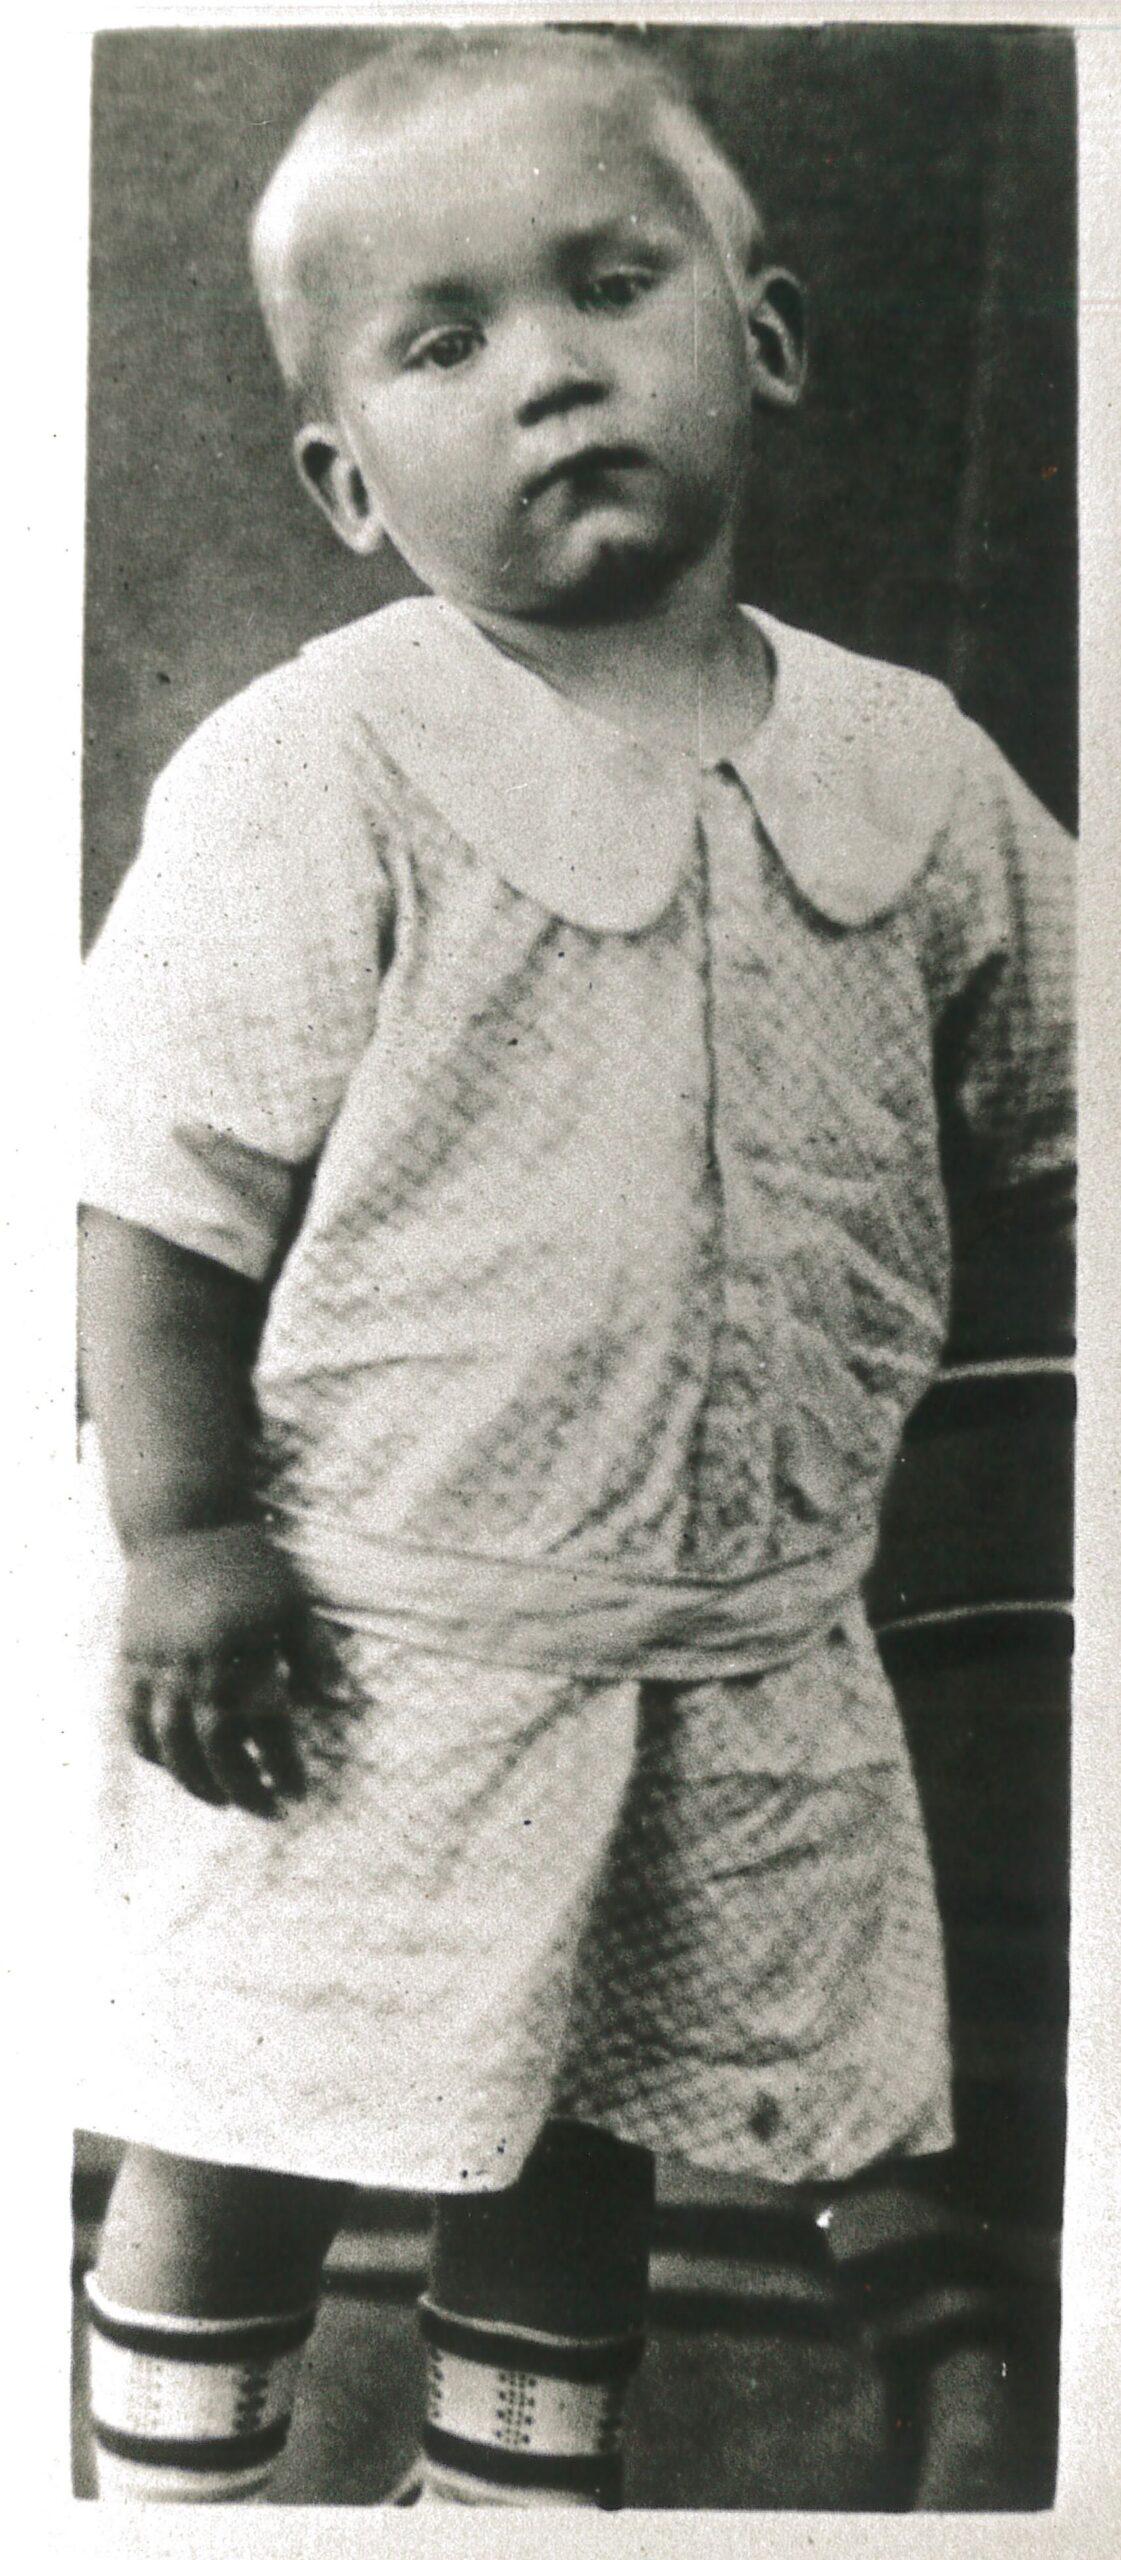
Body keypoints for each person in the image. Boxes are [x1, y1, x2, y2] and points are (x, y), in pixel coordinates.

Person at [76, 24, 1074, 2509]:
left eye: (609, 287)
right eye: (446, 343)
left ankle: (518, 2503)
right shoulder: (324, 764)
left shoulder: (912, 767)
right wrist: (184, 1534)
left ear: (766, 335)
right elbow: (158, 1184)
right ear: (347, 478)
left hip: (722, 1648)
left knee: (576, 2104)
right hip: (363, 1638)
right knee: (248, 2097)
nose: (548, 373)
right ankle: (169, 2497)